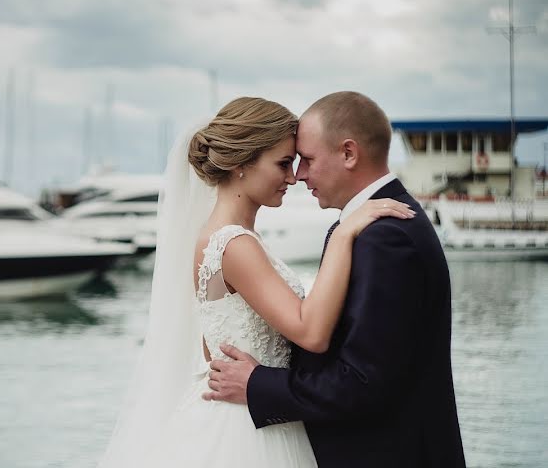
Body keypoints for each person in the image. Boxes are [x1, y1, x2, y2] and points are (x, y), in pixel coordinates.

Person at [98, 96, 414, 468]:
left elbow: (210, 347)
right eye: (283, 164)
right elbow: (310, 333)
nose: (293, 177)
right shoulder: (234, 244)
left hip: (246, 411)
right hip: (247, 433)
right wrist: (345, 233)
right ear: (241, 165)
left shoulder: (218, 237)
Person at [204, 92, 466, 467]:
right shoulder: (373, 227)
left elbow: (363, 382)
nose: (299, 176)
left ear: (348, 153)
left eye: (306, 160)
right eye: (290, 163)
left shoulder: (385, 237)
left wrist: (257, 383)